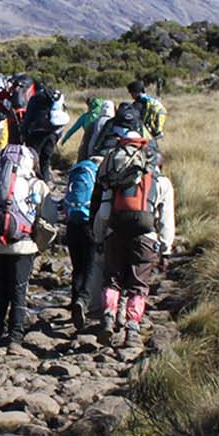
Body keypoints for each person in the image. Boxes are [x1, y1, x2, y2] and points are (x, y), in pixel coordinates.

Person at [93, 140, 176, 343]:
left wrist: (99, 237)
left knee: (112, 279)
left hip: (116, 233)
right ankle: (132, 328)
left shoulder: (118, 177)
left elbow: (104, 213)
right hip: (146, 237)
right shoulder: (162, 183)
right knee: (138, 285)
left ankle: (108, 316)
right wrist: (165, 249)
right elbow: (166, 220)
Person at [0, 145, 50, 347]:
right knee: (19, 289)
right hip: (24, 245)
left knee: (0, 288)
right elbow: (47, 216)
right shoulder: (37, 184)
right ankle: (15, 335)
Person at [60, 153, 103, 330]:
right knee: (90, 266)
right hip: (90, 224)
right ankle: (83, 301)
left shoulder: (76, 172)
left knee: (77, 267)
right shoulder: (99, 178)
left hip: (72, 224)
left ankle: (74, 301)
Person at [61, 97, 110, 164]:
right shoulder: (106, 118)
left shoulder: (85, 117)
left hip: (87, 140)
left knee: (83, 159)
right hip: (103, 142)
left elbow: (73, 129)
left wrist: (65, 139)